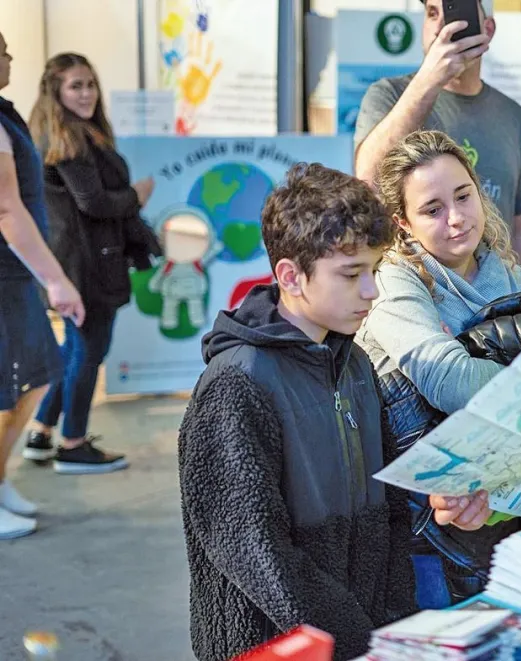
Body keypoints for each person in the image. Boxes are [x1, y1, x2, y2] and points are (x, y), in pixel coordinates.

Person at [177, 163, 489, 661]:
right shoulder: (237, 384)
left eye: (374, 270)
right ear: (290, 276)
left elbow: (388, 508)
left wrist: (390, 623)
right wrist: (356, 640)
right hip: (276, 646)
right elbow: (254, 551)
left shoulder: (356, 363)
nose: (371, 291)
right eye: (351, 274)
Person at [357, 130, 521, 608]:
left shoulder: (508, 275)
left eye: (464, 196)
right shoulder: (394, 281)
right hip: (428, 528)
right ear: (403, 223)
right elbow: (450, 380)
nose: (457, 218)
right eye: (432, 209)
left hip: (505, 506)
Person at [21, 53, 159, 474]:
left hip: (75, 260)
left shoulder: (62, 133)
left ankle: (42, 431)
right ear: (57, 92)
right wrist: (137, 195)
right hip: (86, 264)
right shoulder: (70, 139)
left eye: (90, 84)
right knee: (88, 351)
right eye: (75, 86)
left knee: (75, 349)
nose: (86, 93)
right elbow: (93, 203)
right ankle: (73, 443)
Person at [354, 0, 521, 272]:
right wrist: (430, 80)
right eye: (432, 14)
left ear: (487, 29)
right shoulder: (389, 96)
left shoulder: (513, 116)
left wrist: (520, 297)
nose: (442, 27)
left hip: (492, 296)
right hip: (414, 291)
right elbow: (368, 180)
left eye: (458, 13)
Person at [0, 32, 85, 540]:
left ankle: (0, 478)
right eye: (4, 50)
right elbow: (8, 210)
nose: (11, 57)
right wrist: (56, 280)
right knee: (8, 387)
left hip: (15, 277)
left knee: (31, 380)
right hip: (8, 276)